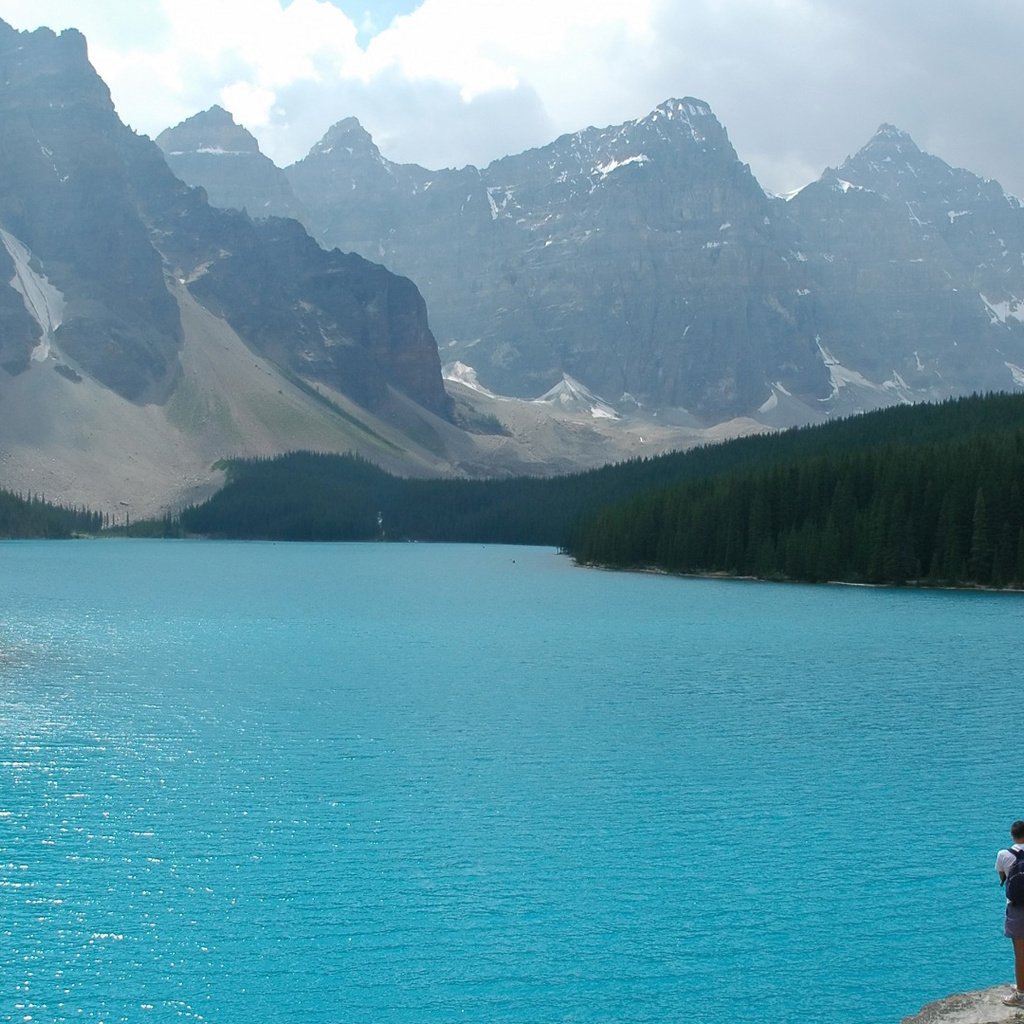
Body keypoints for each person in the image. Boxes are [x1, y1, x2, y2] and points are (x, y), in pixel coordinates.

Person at [996, 820, 1024, 1007]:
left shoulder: (1004, 854)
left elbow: (1002, 877)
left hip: (1017, 908)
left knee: (1020, 953)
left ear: (1011, 835)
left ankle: (1021, 993)